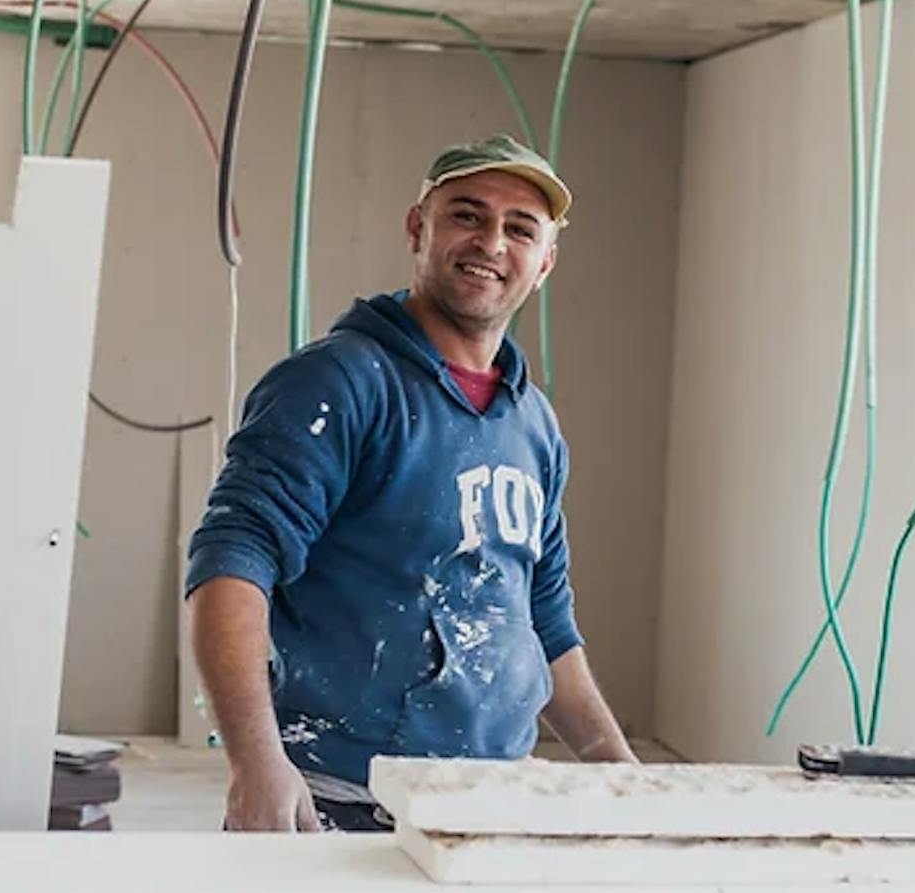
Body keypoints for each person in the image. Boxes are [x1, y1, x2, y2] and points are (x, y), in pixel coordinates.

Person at [185, 134, 636, 833]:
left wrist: (618, 768)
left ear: (544, 262)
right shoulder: (338, 382)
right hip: (339, 803)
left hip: (487, 807)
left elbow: (543, 619)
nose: (491, 241)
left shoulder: (533, 424)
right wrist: (256, 761)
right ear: (417, 226)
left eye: (520, 228)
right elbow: (233, 563)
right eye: (467, 214)